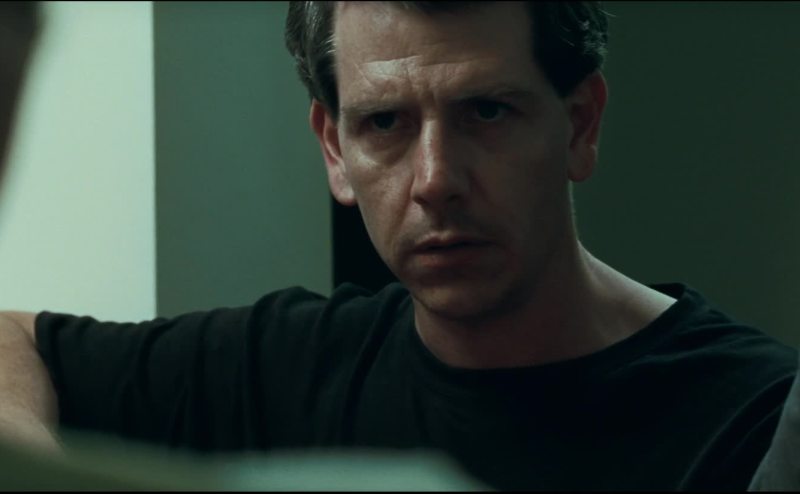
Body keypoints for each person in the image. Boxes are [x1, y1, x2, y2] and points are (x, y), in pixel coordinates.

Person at [0, 1, 796, 490]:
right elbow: (13, 340)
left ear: (580, 125)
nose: (435, 179)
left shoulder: (750, 413)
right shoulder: (285, 364)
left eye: (487, 112)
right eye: (385, 122)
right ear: (334, 148)